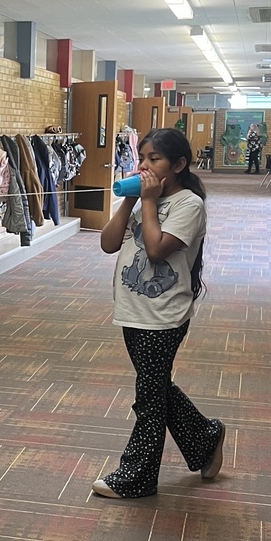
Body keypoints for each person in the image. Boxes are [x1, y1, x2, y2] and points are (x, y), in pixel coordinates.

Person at [93, 128, 226, 499]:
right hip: (132, 311)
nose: (145, 166)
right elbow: (107, 244)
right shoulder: (143, 200)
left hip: (164, 315)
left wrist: (148, 202)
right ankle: (205, 435)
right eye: (142, 158)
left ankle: (137, 476)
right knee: (155, 387)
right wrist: (128, 201)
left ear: (179, 164)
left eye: (155, 159)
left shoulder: (188, 205)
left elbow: (155, 250)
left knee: (148, 397)